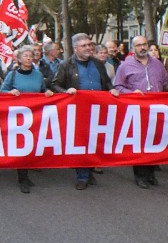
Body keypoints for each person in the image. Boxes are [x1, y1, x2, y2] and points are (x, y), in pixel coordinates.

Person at [50, 32, 119, 190]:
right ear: (75, 49)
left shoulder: (98, 63)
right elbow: (55, 85)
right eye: (84, 46)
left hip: (98, 109)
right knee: (81, 143)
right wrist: (67, 91)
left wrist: (112, 90)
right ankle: (82, 176)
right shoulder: (66, 65)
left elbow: (107, 82)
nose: (88, 48)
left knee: (94, 141)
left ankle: (89, 171)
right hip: (78, 111)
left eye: (90, 45)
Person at [113, 35, 168, 188]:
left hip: (156, 111)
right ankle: (140, 176)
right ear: (133, 48)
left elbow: (166, 83)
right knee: (140, 144)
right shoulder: (125, 66)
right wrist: (131, 93)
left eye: (144, 44)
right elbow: (118, 86)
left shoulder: (158, 64)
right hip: (137, 111)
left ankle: (151, 173)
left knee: (155, 143)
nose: (142, 48)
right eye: (139, 45)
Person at [0, 47, 53, 193]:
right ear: (19, 59)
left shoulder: (38, 75)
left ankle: (26, 174)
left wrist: (46, 92)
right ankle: (22, 178)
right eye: (26, 55)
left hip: (35, 116)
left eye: (31, 55)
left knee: (32, 145)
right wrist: (9, 92)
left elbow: (42, 90)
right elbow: (1, 91)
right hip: (17, 116)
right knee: (21, 145)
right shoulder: (13, 75)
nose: (29, 58)